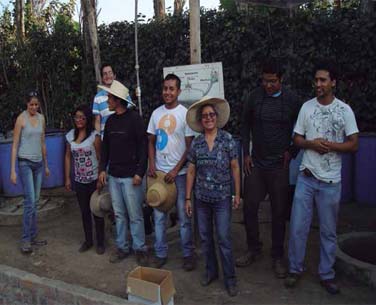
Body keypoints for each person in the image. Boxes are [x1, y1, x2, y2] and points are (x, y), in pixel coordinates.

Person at [285, 61, 359, 294]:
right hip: (306, 177)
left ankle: (327, 274)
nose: (318, 84)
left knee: (328, 231)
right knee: (297, 227)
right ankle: (295, 270)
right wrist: (311, 144)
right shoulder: (306, 108)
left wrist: (331, 146)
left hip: (330, 182)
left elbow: (354, 144)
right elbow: (297, 139)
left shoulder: (344, 110)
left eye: (323, 80)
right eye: (316, 80)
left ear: (333, 83)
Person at [237, 60, 301, 278]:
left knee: (279, 212)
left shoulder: (292, 100)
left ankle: (277, 256)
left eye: (273, 81)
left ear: (281, 79)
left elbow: (303, 127)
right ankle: (253, 248)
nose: (268, 85)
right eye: (265, 81)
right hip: (256, 163)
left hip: (279, 167)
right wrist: (245, 153)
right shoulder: (253, 97)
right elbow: (244, 125)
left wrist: (292, 151)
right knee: (249, 207)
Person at [185, 97, 240, 297]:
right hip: (201, 199)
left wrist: (237, 194)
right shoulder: (197, 143)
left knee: (224, 239)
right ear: (201, 121)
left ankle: (230, 278)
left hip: (222, 198)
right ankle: (211, 272)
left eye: (211, 115)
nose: (208, 118)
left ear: (216, 117)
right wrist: (188, 198)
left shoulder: (227, 139)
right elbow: (191, 171)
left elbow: (235, 167)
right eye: (205, 116)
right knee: (206, 239)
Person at [97, 80, 149, 266]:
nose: (107, 101)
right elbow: (105, 149)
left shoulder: (134, 119)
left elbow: (143, 148)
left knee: (135, 215)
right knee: (119, 214)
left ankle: (140, 248)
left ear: (118, 100)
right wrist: (102, 169)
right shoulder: (110, 122)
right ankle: (122, 247)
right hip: (114, 176)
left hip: (131, 177)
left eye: (109, 97)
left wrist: (139, 173)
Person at [147, 74, 195, 270]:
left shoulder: (185, 114)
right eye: (165, 88)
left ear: (178, 91)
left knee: (184, 217)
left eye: (171, 88)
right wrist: (152, 164)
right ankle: (160, 253)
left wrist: (176, 170)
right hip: (159, 175)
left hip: (181, 175)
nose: (167, 92)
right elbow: (150, 141)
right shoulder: (156, 114)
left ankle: (187, 254)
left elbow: (189, 147)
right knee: (159, 216)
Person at [10, 91, 49, 254]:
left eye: (36, 104)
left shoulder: (41, 118)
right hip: (24, 163)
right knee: (30, 202)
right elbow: (14, 145)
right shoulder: (21, 119)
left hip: (38, 164)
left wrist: (46, 165)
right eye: (31, 104)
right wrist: (12, 170)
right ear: (27, 104)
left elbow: (43, 142)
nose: (34, 107)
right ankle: (25, 239)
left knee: (36, 201)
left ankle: (33, 236)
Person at [64, 105, 105, 254]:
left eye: (82, 117)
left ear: (87, 119)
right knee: (84, 212)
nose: (79, 120)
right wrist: (68, 177)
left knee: (97, 211)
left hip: (94, 179)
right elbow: (68, 156)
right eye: (76, 117)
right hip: (79, 180)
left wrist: (101, 176)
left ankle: (100, 243)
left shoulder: (94, 136)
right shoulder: (70, 136)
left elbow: (100, 157)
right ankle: (88, 241)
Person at [92, 64, 132, 137]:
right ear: (102, 78)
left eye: (110, 73)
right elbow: (97, 121)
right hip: (106, 137)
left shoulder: (124, 94)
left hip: (124, 134)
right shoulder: (97, 98)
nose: (108, 76)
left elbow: (129, 115)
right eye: (105, 74)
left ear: (114, 76)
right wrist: (98, 137)